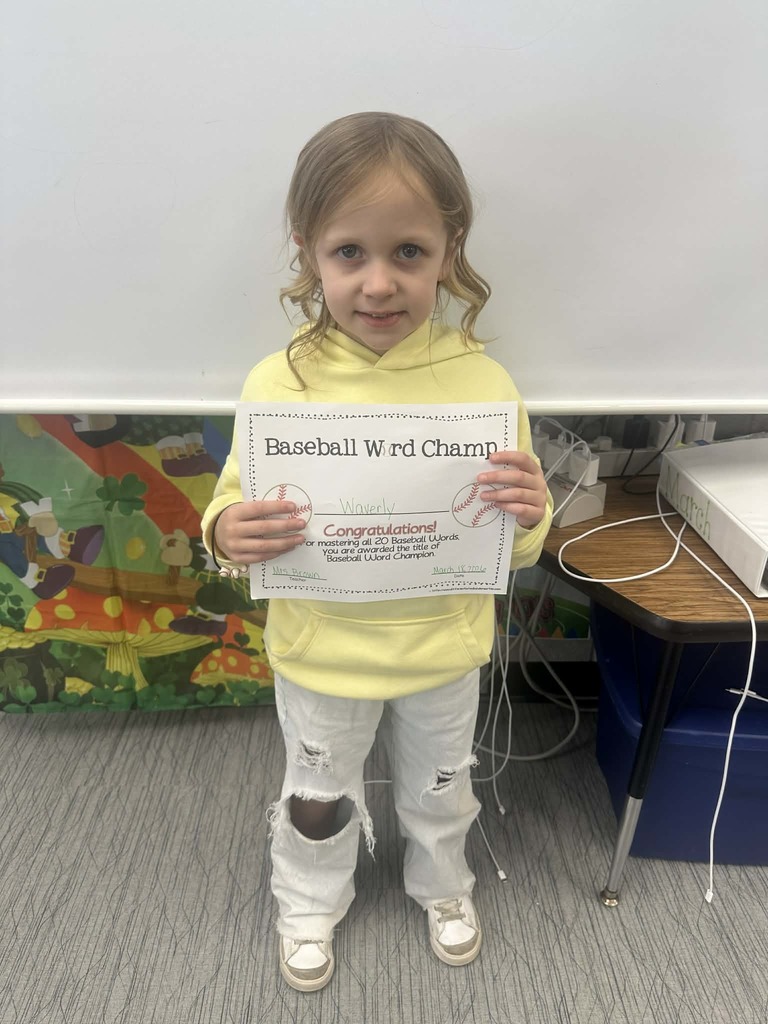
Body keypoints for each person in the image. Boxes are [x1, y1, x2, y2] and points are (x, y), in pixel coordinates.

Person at [201, 112, 553, 992]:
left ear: (449, 248)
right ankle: (308, 898)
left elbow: (513, 540)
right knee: (317, 796)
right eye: (349, 252)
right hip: (323, 650)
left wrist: (531, 513)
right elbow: (231, 507)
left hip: (442, 645)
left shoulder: (481, 382)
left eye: (408, 253)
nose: (379, 283)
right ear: (308, 251)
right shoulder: (278, 382)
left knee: (441, 786)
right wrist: (225, 534)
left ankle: (443, 883)